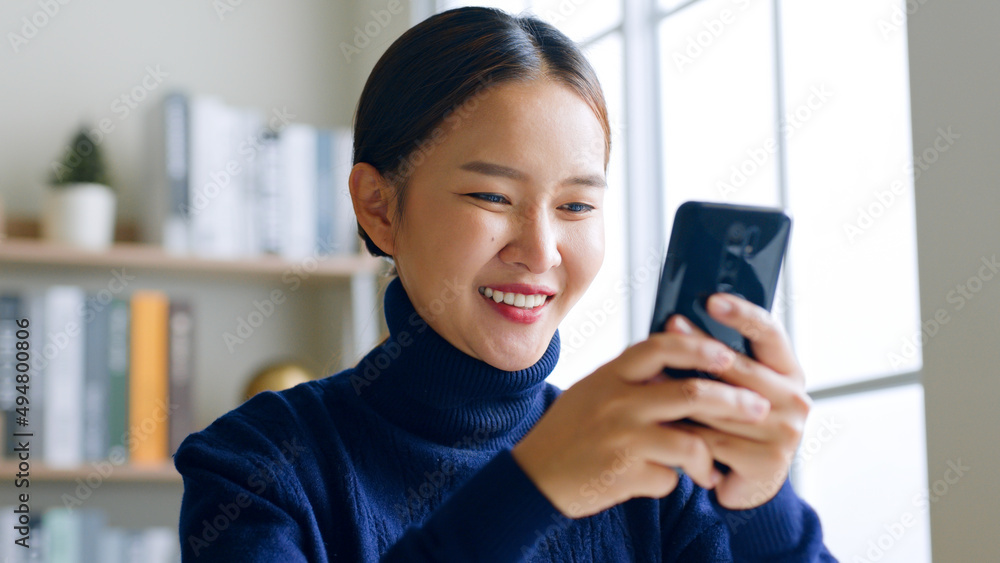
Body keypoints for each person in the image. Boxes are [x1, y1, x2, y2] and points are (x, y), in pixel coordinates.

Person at [174, 6, 836, 562]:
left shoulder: (665, 477)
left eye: (576, 206)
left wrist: (762, 507)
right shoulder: (254, 466)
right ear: (378, 206)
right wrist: (533, 487)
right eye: (492, 196)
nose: (540, 250)